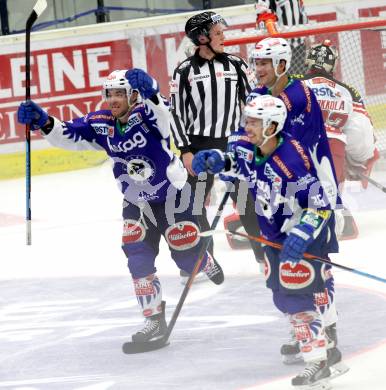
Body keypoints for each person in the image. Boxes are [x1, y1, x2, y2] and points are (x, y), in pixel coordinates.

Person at [17, 67, 224, 343]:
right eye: (109, 94)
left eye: (120, 94)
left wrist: (152, 90)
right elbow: (68, 134)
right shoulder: (101, 123)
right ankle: (153, 321)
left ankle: (203, 259)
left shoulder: (146, 114)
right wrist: (43, 121)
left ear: (133, 95)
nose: (113, 99)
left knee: (187, 258)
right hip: (136, 203)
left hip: (172, 196)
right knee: (137, 259)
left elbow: (166, 119)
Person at [192, 94, 348, 389]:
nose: (246, 126)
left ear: (272, 125)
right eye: (247, 120)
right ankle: (325, 348)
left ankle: (319, 363)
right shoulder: (250, 148)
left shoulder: (292, 160)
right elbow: (239, 165)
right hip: (273, 236)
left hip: (300, 236)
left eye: (254, 122)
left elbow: (320, 205)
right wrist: (217, 160)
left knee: (296, 297)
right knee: (282, 296)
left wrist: (302, 235)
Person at [245, 37, 348, 374]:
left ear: (283, 65)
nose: (258, 69)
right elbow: (251, 138)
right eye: (256, 62)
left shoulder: (297, 95)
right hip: (281, 194)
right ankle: (309, 328)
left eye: (265, 63)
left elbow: (288, 155)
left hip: (313, 189)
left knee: (315, 265)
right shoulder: (263, 96)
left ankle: (328, 339)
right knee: (286, 266)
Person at [170, 11, 264, 275]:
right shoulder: (184, 71)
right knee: (195, 205)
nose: (224, 37)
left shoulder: (237, 65)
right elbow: (175, 113)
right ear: (202, 38)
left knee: (246, 203)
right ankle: (204, 260)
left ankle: (263, 258)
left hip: (234, 146)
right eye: (218, 33)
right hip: (198, 147)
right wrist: (185, 152)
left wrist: (253, 139)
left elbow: (253, 104)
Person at [299, 39, 379, 239]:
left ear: (308, 62)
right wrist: (359, 161)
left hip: (299, 151)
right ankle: (332, 219)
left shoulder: (294, 83)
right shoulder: (347, 90)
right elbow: (362, 132)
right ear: (332, 65)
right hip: (335, 151)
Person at [255, 0, 309, 73]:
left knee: (298, 77)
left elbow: (302, 14)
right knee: (281, 78)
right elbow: (263, 16)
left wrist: (307, 39)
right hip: (281, 45)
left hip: (299, 43)